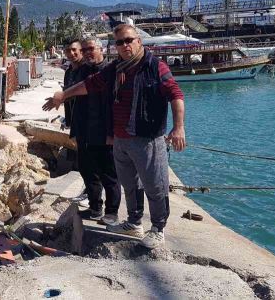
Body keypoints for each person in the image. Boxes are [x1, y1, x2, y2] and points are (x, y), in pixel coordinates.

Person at [43, 24, 186, 250]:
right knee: (129, 184)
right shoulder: (116, 68)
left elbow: (176, 94)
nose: (125, 45)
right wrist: (63, 96)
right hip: (120, 139)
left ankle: (158, 229)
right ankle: (134, 222)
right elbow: (91, 84)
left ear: (138, 41)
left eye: (129, 40)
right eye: (119, 42)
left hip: (146, 138)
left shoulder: (154, 66)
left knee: (155, 185)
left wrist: (179, 127)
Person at [70, 38, 121, 226]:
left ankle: (112, 212)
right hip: (85, 132)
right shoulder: (81, 72)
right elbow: (74, 103)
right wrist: (73, 130)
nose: (88, 52)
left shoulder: (111, 72)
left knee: (109, 174)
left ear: (101, 49)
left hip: (105, 132)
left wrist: (113, 132)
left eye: (91, 48)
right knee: (88, 171)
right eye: (85, 49)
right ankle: (95, 208)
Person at [62, 40, 84, 129]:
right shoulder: (68, 72)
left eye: (74, 49)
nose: (71, 53)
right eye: (68, 51)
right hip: (74, 121)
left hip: (87, 121)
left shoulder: (87, 69)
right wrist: (68, 121)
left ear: (81, 50)